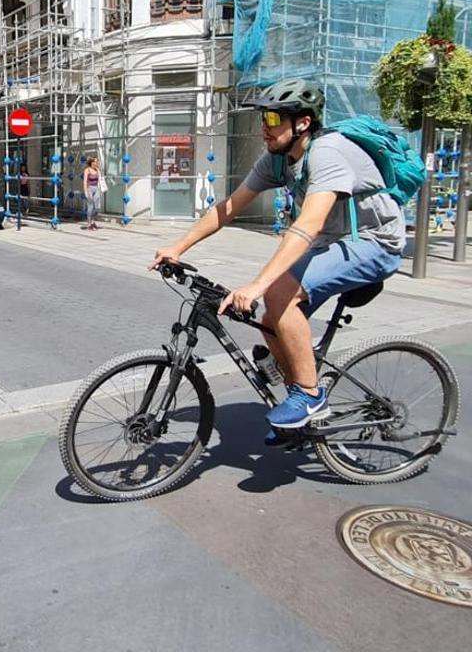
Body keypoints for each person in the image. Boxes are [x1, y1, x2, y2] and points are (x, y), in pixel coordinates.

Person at [149, 78, 404, 443]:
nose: (263, 128)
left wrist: (258, 284)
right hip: (334, 241)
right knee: (272, 319)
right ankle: (299, 411)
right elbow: (229, 207)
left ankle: (310, 397)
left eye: (272, 119)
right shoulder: (278, 159)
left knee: (278, 293)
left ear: (302, 123)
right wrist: (178, 247)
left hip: (374, 241)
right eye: (263, 119)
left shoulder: (328, 152)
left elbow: (307, 225)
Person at [82, 156, 102, 231]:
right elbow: (84, 182)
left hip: (96, 189)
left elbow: (100, 180)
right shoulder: (87, 170)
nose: (97, 163)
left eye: (97, 162)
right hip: (89, 188)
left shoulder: (97, 170)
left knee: (97, 207)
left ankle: (93, 221)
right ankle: (89, 223)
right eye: (95, 162)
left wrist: (100, 189)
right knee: (90, 207)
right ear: (92, 162)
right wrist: (85, 191)